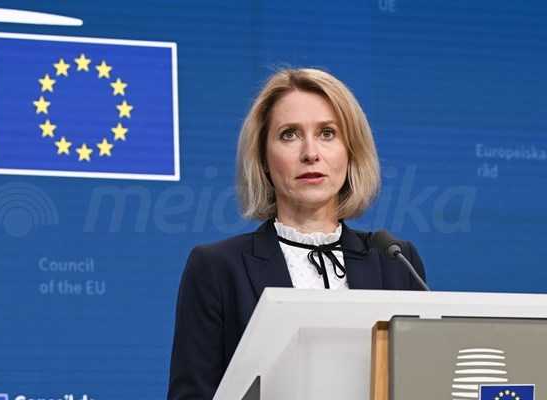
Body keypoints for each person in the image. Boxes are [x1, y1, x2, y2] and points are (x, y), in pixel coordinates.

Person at [167, 68, 426, 399]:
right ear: (263, 158)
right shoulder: (217, 268)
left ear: (351, 151)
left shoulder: (395, 261)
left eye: (327, 133)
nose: (310, 153)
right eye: (289, 134)